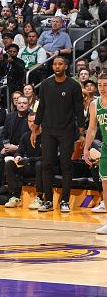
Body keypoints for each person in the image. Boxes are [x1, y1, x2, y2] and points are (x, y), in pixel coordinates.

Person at [31, 56, 85, 213]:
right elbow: (41, 108)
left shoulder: (73, 86)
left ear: (66, 67)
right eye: (55, 64)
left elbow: (79, 111)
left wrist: (81, 134)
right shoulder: (46, 85)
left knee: (66, 166)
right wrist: (34, 130)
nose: (57, 66)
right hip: (48, 130)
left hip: (67, 131)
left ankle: (65, 201)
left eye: (60, 64)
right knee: (47, 165)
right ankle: (48, 200)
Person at [4, 112, 44, 209]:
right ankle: (15, 196)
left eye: (34, 121)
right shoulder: (26, 136)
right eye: (29, 121)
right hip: (30, 166)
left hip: (43, 167)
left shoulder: (46, 136)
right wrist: (17, 156)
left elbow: (47, 157)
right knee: (9, 163)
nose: (31, 124)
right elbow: (19, 151)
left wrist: (29, 159)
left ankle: (40, 197)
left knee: (39, 164)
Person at [84, 72, 107, 234]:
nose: (103, 88)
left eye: (106, 85)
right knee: (105, 185)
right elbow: (92, 129)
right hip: (105, 148)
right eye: (100, 85)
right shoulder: (95, 104)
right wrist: (86, 148)